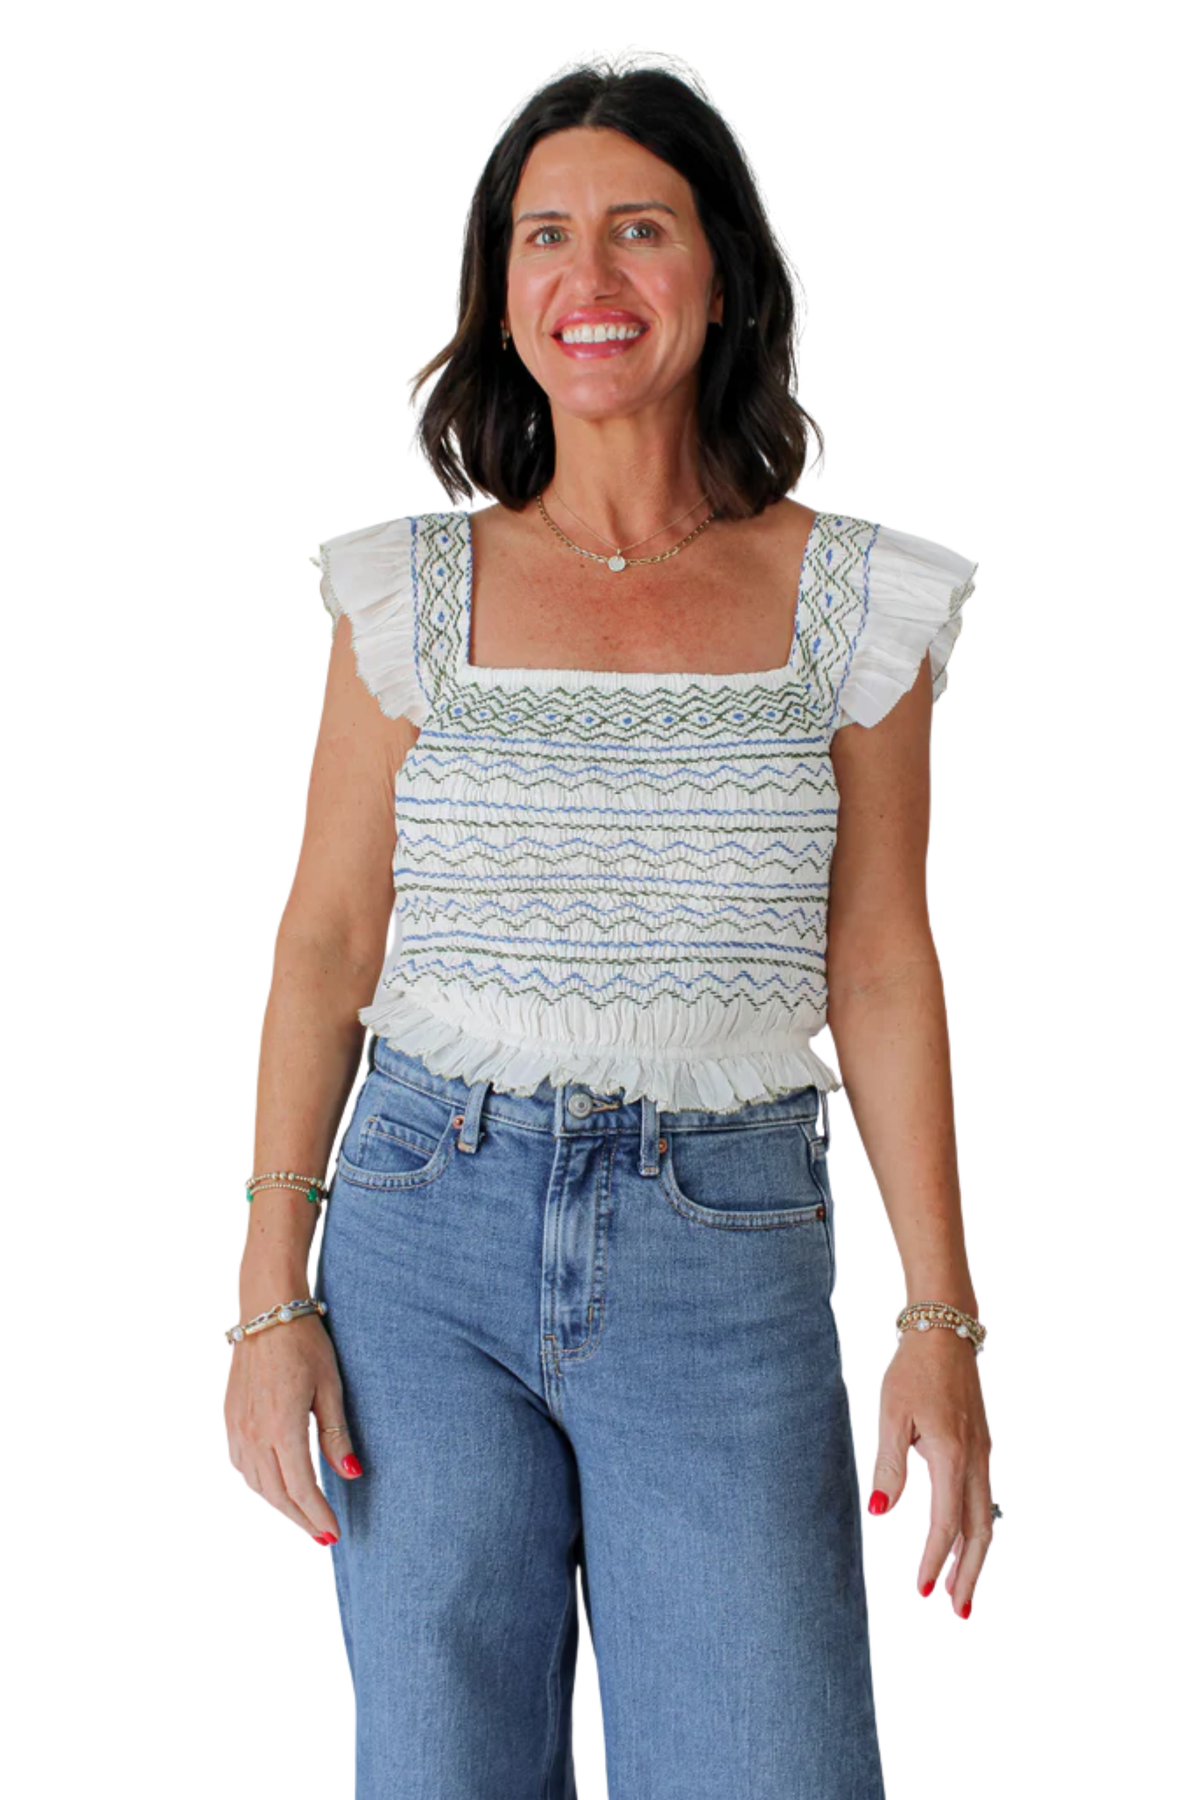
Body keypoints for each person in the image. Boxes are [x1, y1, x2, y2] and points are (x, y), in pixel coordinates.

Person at [224, 58, 994, 1800]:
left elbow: (881, 962)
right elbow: (327, 942)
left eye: (640, 230)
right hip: (421, 1246)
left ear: (723, 276)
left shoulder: (852, 600)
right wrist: (269, 1297)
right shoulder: (410, 593)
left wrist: (939, 1318)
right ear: (501, 291)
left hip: (722, 1252)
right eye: (544, 235)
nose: (590, 276)